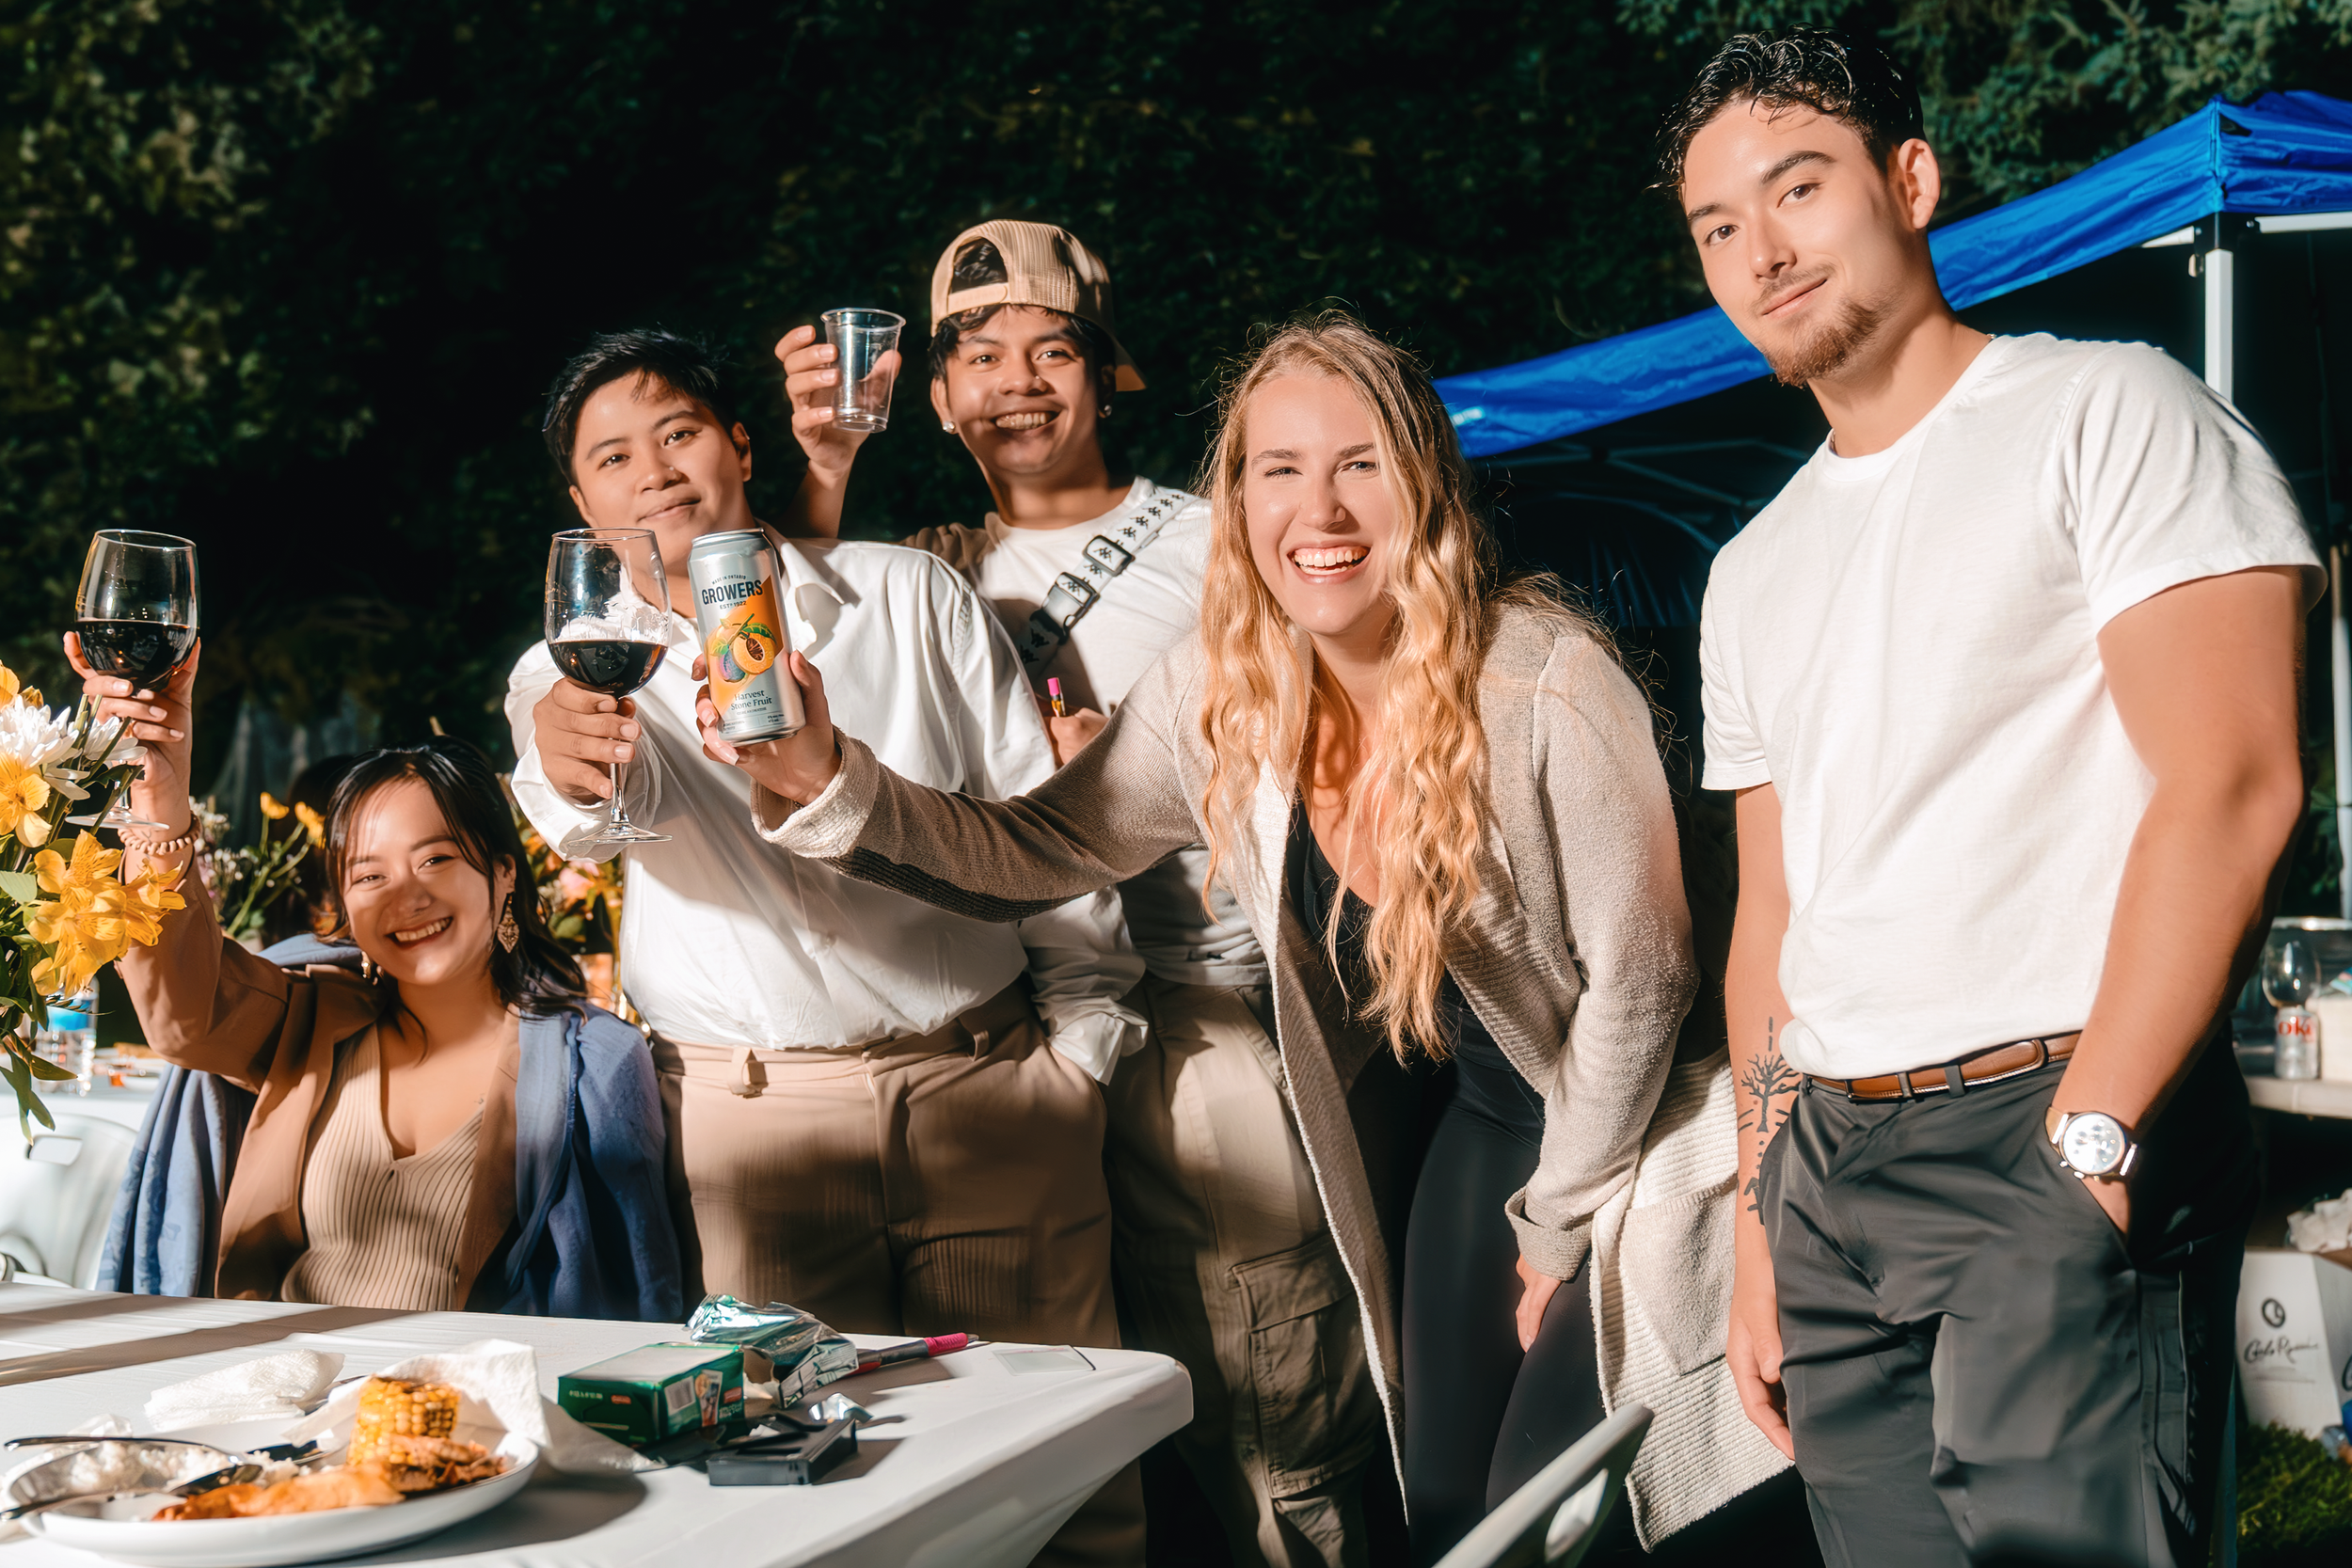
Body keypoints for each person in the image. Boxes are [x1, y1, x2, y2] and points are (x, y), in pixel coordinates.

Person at [708, 310, 1790, 1560]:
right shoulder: (1226, 688)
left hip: (1640, 1126)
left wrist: (1557, 1226)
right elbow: (1036, 852)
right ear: (1237, 498)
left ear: (1423, 482)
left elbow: (1645, 986)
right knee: (1441, 1506)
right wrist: (819, 769)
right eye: (1279, 468)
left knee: (1564, 1511)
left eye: (1359, 461)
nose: (1318, 508)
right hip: (1489, 1125)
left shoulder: (1543, 681)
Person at [1664, 31, 2320, 1566]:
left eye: (1797, 188)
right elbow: (1773, 911)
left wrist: (2088, 1149)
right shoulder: (1747, 569)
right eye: (1716, 228)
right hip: (1827, 1166)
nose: (1761, 250)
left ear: (1910, 179)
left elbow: (2235, 782)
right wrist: (1760, 1223)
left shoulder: (2111, 414)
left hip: (2054, 1120)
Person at [775, 221, 1379, 1568]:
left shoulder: (1219, 530)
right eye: (978, 355)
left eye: (1052, 348)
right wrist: (822, 463)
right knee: (1083, 1419)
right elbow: (789, 654)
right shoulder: (927, 569)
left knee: (1273, 1380)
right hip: (1019, 1029)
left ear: (1113, 376)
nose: (1016, 378)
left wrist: (1169, 748)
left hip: (1215, 999)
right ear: (935, 398)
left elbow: (1362, 709)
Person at [509, 328, 1148, 1565]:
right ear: (582, 503)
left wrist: (1081, 1063)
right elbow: (593, 820)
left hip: (993, 1089)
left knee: (1070, 1475)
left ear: (740, 444)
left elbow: (1049, 834)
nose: (654, 469)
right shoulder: (572, 676)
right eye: (613, 456)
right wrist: (571, 753)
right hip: (755, 1134)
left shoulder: (906, 595)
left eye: (679, 430)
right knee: (804, 1491)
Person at [77, 633, 679, 1317]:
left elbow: (633, 1294)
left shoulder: (592, 1065)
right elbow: (184, 1012)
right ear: (342, 903)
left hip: (468, 1405)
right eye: (370, 874)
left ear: (504, 873)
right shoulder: (310, 1022)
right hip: (286, 1387)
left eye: (436, 859)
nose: (406, 895)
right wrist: (160, 795)